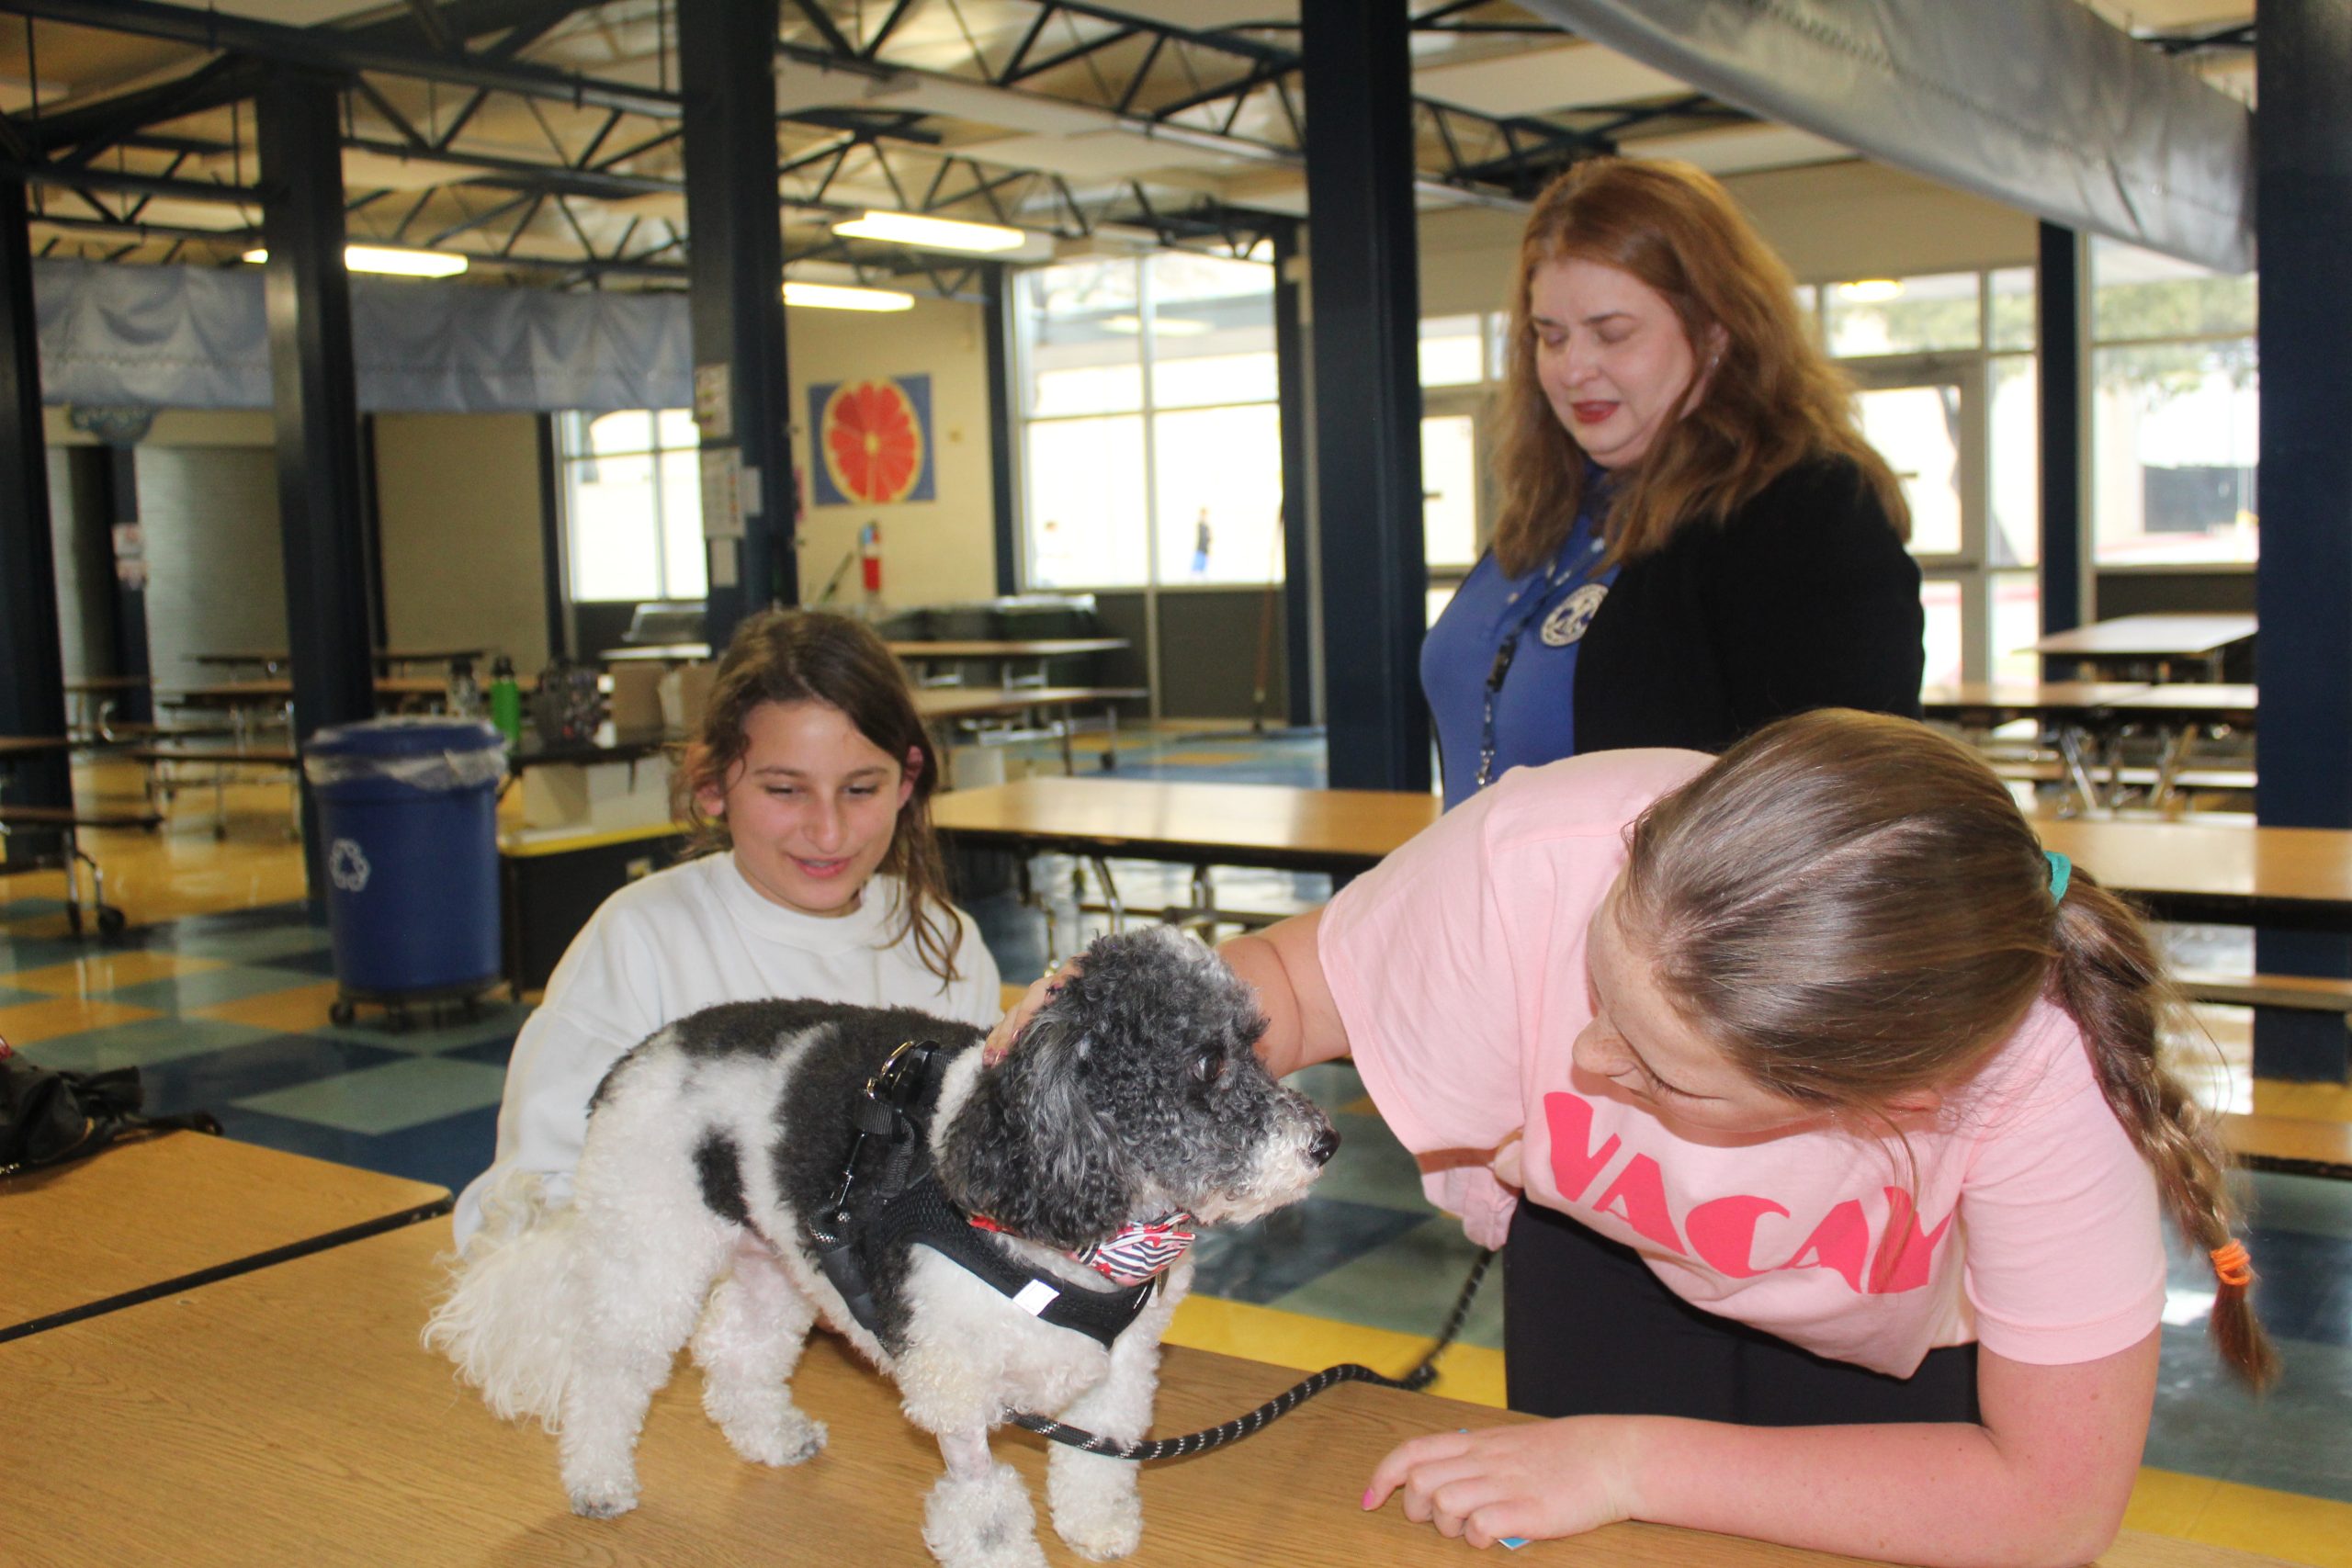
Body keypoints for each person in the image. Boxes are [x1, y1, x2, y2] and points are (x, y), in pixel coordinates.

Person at [991, 710, 2274, 1565]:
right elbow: (1298, 985)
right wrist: (1119, 1036)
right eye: (1595, 993)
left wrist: (1627, 1457)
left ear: (1891, 1103)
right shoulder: (1546, 851)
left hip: (1892, 1332)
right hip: (1603, 1243)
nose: (1587, 1064)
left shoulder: (2041, 1075)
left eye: (1659, 1072)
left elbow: (2050, 1499)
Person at [453, 609, 1001, 1244]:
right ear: (712, 782)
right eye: (784, 790)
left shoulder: (944, 942)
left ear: (905, 780)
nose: (828, 832)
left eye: (859, 789)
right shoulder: (639, 942)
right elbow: (524, 1203)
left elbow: (980, 1180)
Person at [1421, 156, 1924, 810]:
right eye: (1551, 337)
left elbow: (1845, 803)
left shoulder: (1802, 511)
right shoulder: (1557, 504)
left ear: (1715, 332)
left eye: (1612, 334)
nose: (1573, 368)